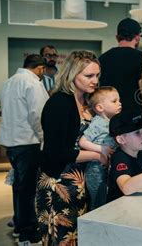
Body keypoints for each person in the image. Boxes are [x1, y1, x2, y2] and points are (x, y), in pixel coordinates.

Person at [36, 50, 107, 245]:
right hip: (59, 184)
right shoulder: (59, 104)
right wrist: (96, 154)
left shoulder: (88, 102)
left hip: (82, 182)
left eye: (97, 75)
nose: (95, 80)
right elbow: (55, 153)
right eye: (89, 76)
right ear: (71, 74)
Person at [0, 54, 49, 244]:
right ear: (40, 68)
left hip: (10, 142)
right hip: (28, 142)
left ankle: (20, 225)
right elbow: (37, 114)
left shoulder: (8, 82)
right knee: (28, 190)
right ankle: (28, 233)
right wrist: (44, 137)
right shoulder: (32, 83)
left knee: (19, 187)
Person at [78, 86, 121, 210]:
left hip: (107, 168)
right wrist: (101, 149)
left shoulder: (111, 121)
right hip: (96, 170)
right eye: (114, 101)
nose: (119, 103)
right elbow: (83, 142)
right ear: (100, 107)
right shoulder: (98, 122)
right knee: (99, 203)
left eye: (119, 100)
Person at [99, 18, 142, 114]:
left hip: (107, 116)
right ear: (137, 38)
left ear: (117, 37)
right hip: (134, 117)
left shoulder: (102, 59)